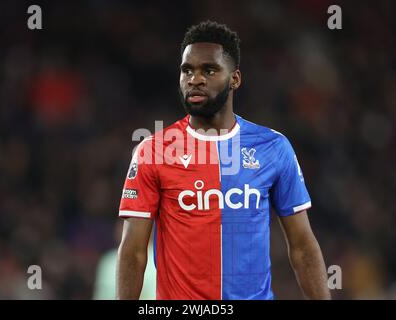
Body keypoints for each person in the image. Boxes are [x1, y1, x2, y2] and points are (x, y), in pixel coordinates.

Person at [117, 20, 330, 300]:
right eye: (187, 70)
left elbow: (302, 245)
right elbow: (132, 252)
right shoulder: (153, 150)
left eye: (209, 70)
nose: (195, 79)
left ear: (235, 79)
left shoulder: (274, 148)